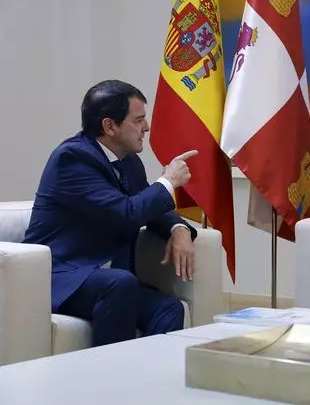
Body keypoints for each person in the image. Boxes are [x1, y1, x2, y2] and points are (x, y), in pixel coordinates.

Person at [24, 79, 199, 346]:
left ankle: (152, 372)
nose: (147, 127)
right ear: (109, 126)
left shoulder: (128, 161)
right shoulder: (72, 159)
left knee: (167, 308)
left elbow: (146, 204)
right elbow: (126, 213)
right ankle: (111, 372)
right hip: (62, 277)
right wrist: (168, 182)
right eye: (138, 120)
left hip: (105, 278)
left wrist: (179, 229)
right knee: (120, 283)